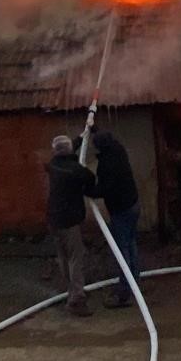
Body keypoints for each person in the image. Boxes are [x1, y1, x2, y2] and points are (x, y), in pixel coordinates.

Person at [87, 131, 140, 308]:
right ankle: (134, 282)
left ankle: (124, 293)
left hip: (121, 210)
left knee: (122, 250)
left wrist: (87, 190)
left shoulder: (107, 164)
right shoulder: (118, 149)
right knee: (131, 244)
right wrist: (93, 129)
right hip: (133, 204)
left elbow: (104, 189)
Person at [45, 135, 96, 317]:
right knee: (76, 258)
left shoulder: (52, 165)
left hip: (53, 220)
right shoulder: (76, 171)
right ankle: (77, 300)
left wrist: (80, 138)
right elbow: (90, 178)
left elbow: (65, 152)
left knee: (64, 257)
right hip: (69, 221)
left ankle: (71, 291)